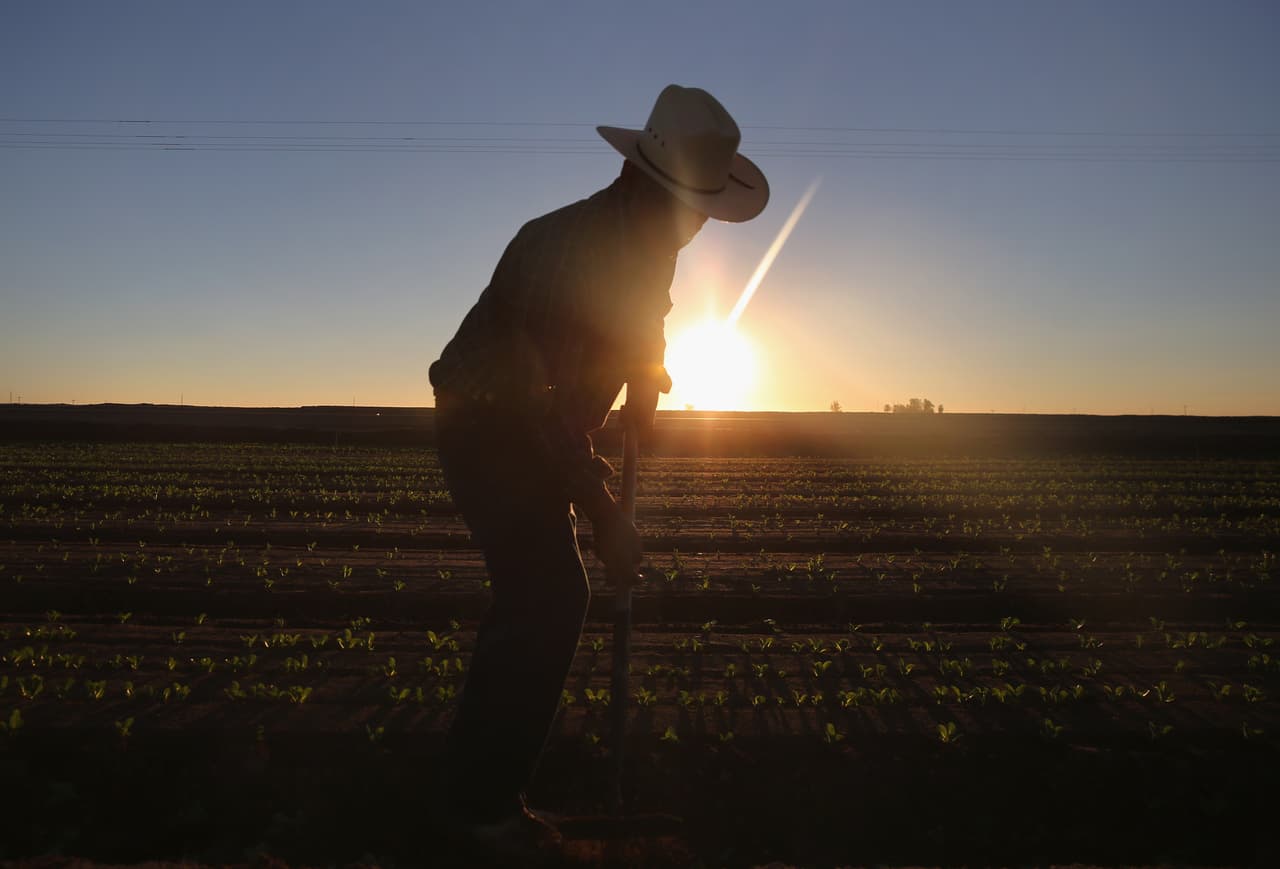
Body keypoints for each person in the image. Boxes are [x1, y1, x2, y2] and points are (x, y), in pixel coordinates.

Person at [427, 83, 769, 857]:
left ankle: (478, 791)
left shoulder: (650, 248)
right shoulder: (568, 249)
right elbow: (531, 409)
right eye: (692, 209)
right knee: (547, 594)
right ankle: (475, 810)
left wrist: (647, 375)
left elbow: (642, 320)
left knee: (541, 598)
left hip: (535, 426)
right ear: (645, 185)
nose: (696, 227)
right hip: (485, 422)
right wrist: (604, 509)